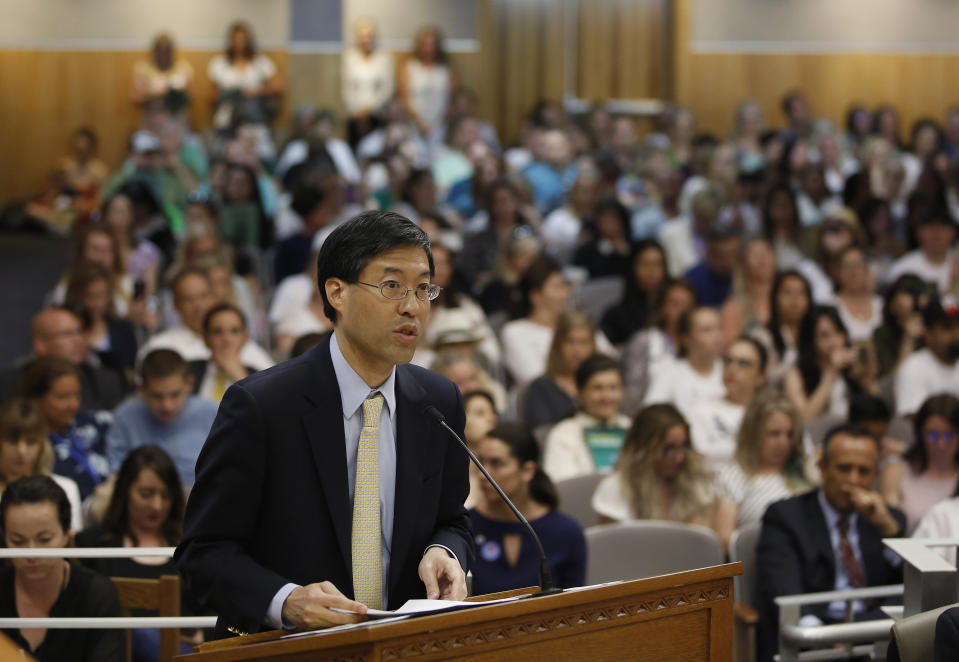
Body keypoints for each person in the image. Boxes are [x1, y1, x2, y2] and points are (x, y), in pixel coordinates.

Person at [176, 211, 473, 637]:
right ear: (337, 292)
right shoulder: (261, 406)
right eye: (392, 286)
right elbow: (203, 553)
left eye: (423, 288)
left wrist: (446, 551)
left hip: (402, 645)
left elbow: (453, 520)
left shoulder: (438, 401)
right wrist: (284, 601)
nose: (412, 306)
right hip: (290, 647)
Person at [755, 424, 906, 662]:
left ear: (876, 475)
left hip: (872, 636)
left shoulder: (889, 519)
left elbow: (908, 590)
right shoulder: (785, 517)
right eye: (844, 468)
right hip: (812, 639)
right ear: (822, 466)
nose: (853, 480)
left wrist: (888, 528)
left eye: (863, 471)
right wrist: (822, 637)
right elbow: (783, 590)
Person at [76, 445, 192, 661]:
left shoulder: (190, 548)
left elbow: (211, 613)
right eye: (146, 494)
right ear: (125, 491)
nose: (156, 505)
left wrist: (199, 632)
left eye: (165, 496)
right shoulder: (94, 545)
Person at [0, 475, 123, 662]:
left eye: (44, 539)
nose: (31, 554)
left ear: (66, 534)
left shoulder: (97, 595)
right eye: (18, 541)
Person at [469, 423, 586, 593]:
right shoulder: (464, 528)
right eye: (480, 463)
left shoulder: (566, 532)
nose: (482, 475)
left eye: (496, 463)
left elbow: (577, 608)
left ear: (527, 471)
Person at [714, 391, 812, 550]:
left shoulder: (809, 471)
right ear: (753, 435)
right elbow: (725, 542)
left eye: (790, 434)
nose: (784, 442)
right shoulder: (734, 476)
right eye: (774, 434)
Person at [591, 403, 716, 526]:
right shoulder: (615, 487)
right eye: (668, 449)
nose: (679, 458)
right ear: (643, 448)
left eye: (683, 447)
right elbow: (611, 543)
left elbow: (700, 540)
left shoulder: (696, 484)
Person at [107, 349, 218, 485]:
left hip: (199, 494)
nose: (167, 406)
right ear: (142, 389)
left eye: (175, 394)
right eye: (157, 396)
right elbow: (116, 473)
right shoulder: (125, 416)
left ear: (189, 384)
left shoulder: (212, 413)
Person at [138, 266, 274, 371]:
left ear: (214, 298)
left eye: (204, 296)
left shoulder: (240, 343)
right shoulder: (159, 347)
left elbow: (271, 388)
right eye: (188, 299)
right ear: (176, 304)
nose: (198, 306)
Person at [17, 358, 111, 502]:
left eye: (76, 395)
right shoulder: (30, 445)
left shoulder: (96, 423)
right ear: (36, 399)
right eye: (63, 397)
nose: (73, 404)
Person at [542, 355, 630, 482]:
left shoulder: (633, 429)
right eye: (597, 388)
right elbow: (564, 489)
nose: (606, 396)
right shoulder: (563, 434)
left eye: (613, 388)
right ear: (580, 392)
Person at [880, 394, 959, 533]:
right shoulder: (896, 472)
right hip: (906, 550)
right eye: (933, 435)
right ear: (920, 433)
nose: (941, 444)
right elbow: (889, 527)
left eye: (949, 435)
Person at [0, 399, 82, 532]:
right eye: (12, 441)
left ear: (42, 445)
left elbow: (71, 546)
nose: (21, 451)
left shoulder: (66, 488)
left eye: (31, 442)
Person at [688, 337, 768, 470]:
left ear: (761, 377)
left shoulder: (770, 414)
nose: (732, 368)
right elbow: (698, 456)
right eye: (728, 360)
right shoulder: (701, 409)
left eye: (744, 363)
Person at [784, 305, 874, 422]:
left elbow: (877, 410)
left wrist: (866, 380)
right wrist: (831, 373)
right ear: (811, 340)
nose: (835, 341)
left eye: (838, 332)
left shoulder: (853, 367)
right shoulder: (795, 374)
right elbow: (803, 419)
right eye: (824, 336)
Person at [621, 280, 696, 412]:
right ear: (662, 308)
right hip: (651, 414)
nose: (682, 311)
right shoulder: (646, 341)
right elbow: (633, 392)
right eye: (675, 304)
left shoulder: (700, 344)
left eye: (687, 305)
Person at [500, 256, 572, 386]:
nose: (565, 293)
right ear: (535, 296)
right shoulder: (515, 332)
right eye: (557, 287)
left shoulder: (576, 325)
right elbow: (535, 379)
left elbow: (608, 360)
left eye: (564, 286)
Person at [62, 261, 138, 378]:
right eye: (89, 296)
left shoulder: (122, 328)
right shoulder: (62, 329)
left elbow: (132, 368)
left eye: (100, 295)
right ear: (75, 295)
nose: (95, 304)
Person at [644, 306, 725, 414]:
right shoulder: (669, 372)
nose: (717, 336)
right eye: (707, 330)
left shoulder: (730, 371)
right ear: (686, 339)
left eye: (719, 328)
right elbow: (650, 415)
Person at [522, 312, 596, 430]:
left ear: (593, 345)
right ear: (558, 345)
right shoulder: (541, 388)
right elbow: (542, 435)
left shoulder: (605, 386)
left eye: (583, 342)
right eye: (570, 342)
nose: (577, 350)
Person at [207, 21, 284, 134]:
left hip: (255, 115)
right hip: (228, 116)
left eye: (243, 39)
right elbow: (211, 95)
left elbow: (278, 86)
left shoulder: (260, 62)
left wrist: (253, 92)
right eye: (236, 39)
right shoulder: (219, 63)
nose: (240, 43)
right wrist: (231, 94)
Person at [894, 296, 959, 417]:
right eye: (948, 327)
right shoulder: (914, 367)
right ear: (928, 334)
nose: (956, 334)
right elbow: (912, 418)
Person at [599, 240, 668, 346]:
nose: (651, 272)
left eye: (657, 264)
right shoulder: (615, 316)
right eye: (645, 264)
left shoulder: (673, 308)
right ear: (633, 267)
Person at [341, 18, 395, 147]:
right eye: (362, 36)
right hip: (355, 115)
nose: (366, 40)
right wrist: (356, 112)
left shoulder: (384, 59)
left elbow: (387, 89)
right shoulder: (350, 58)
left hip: (377, 115)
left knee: (374, 148)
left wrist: (369, 111)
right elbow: (347, 88)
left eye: (369, 36)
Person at [188, 304, 257, 403]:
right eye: (218, 332)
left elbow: (264, 413)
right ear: (205, 338)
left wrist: (241, 377)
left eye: (234, 331)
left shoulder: (259, 376)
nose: (226, 339)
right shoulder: (188, 370)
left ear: (245, 338)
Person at [399, 26, 455, 145]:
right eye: (425, 44)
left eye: (432, 44)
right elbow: (404, 99)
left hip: (440, 125)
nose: (429, 49)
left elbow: (452, 100)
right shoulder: (410, 67)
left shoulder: (446, 69)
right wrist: (419, 124)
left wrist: (436, 124)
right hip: (414, 124)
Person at [886, 205, 958, 296]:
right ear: (918, 232)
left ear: (953, 232)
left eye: (943, 226)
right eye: (930, 226)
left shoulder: (957, 261)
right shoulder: (903, 268)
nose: (936, 232)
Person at [721, 238, 777, 344]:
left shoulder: (787, 299)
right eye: (755, 254)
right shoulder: (733, 307)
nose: (762, 259)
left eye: (767, 252)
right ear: (743, 265)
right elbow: (730, 347)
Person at [872, 274, 927, 379]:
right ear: (891, 304)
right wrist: (909, 340)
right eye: (908, 292)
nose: (914, 299)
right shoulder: (882, 335)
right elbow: (893, 382)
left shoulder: (934, 330)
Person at [131, 33, 194, 112]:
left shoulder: (183, 68)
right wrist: (162, 94)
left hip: (176, 120)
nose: (163, 56)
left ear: (172, 52)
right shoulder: (142, 69)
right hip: (151, 119)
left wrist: (179, 96)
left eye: (166, 52)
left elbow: (191, 97)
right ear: (154, 52)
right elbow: (135, 98)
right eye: (160, 52)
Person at [833, 245, 883, 343]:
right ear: (838, 272)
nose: (853, 272)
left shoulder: (881, 305)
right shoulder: (830, 305)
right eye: (847, 266)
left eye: (857, 265)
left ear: (866, 270)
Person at [683, 226, 742, 308]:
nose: (728, 261)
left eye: (734, 254)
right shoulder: (692, 280)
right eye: (721, 256)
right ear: (708, 253)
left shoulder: (750, 275)